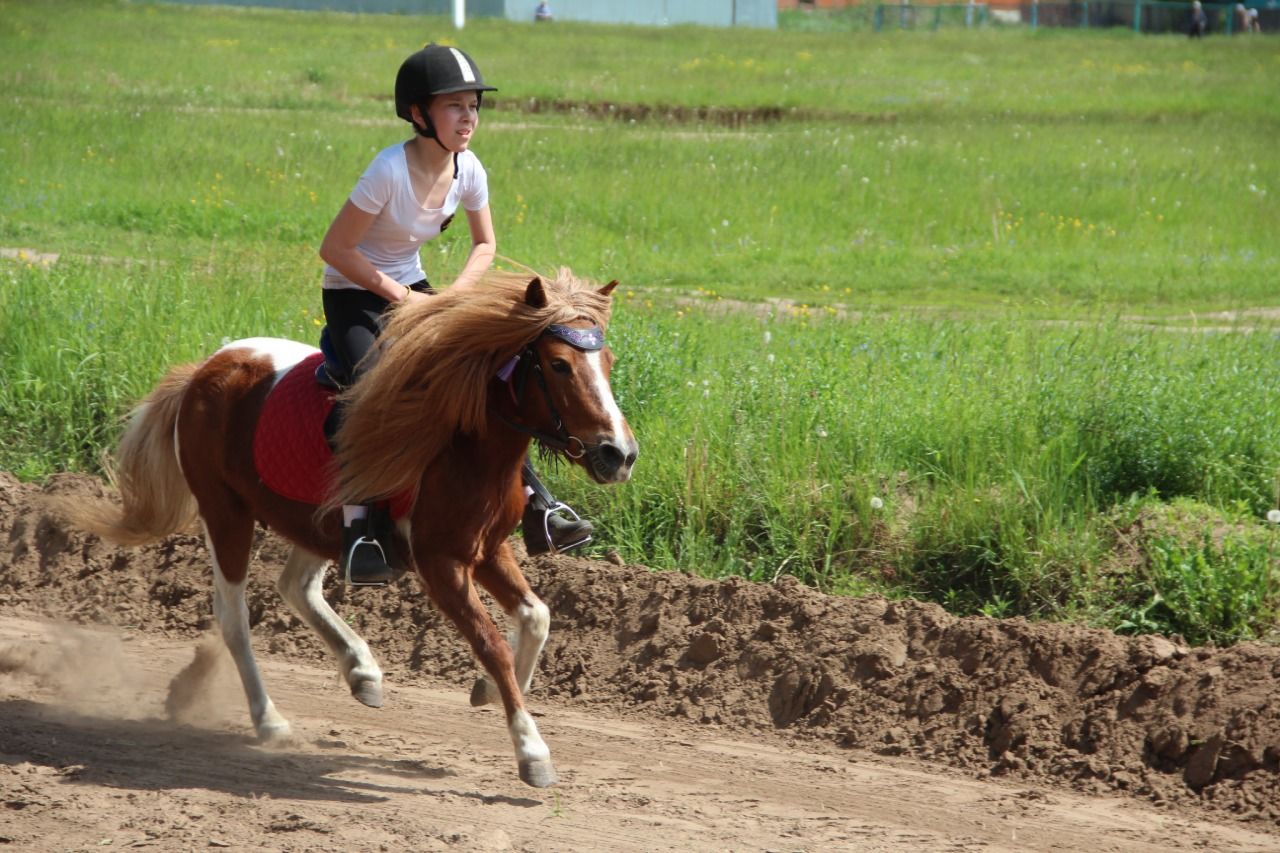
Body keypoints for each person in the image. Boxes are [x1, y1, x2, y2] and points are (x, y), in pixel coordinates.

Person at [318, 44, 593, 586]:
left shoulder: (469, 169)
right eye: (454, 107)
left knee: (485, 374)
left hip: (418, 290)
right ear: (420, 114)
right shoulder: (387, 171)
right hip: (355, 291)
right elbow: (336, 250)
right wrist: (406, 298)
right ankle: (361, 531)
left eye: (473, 106)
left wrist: (454, 299)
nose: (468, 118)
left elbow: (485, 244)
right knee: (370, 388)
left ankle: (540, 503)